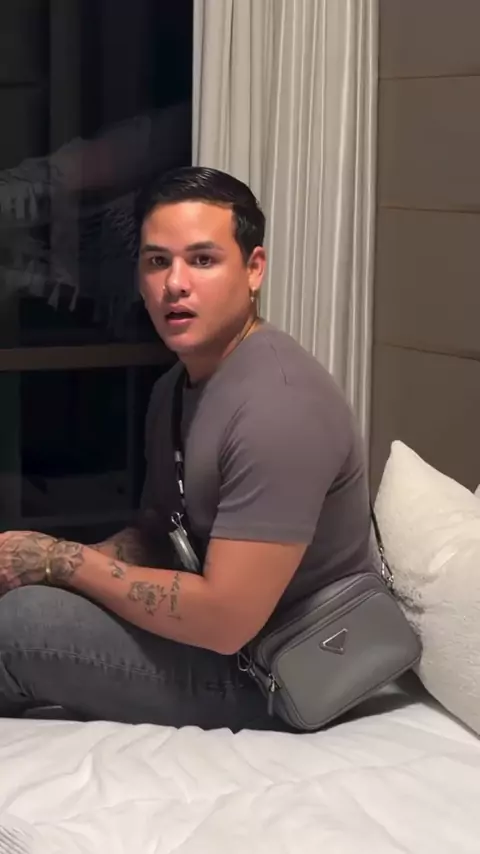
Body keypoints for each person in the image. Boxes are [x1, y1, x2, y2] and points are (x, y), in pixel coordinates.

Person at [0, 167, 372, 731]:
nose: (175, 283)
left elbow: (226, 619)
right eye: (157, 261)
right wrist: (47, 567)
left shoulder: (280, 406)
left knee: (20, 626)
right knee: (27, 597)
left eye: (202, 260)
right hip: (225, 642)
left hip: (282, 669)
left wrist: (62, 561)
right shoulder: (175, 388)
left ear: (254, 269)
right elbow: (159, 533)